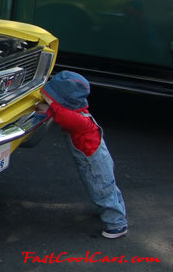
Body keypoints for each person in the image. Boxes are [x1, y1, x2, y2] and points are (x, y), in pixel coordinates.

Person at [35, 71, 128, 239]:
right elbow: (57, 111)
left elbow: (60, 115)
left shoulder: (77, 120)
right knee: (109, 188)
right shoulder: (80, 110)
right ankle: (116, 210)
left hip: (94, 164)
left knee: (102, 192)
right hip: (98, 157)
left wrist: (48, 103)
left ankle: (117, 224)